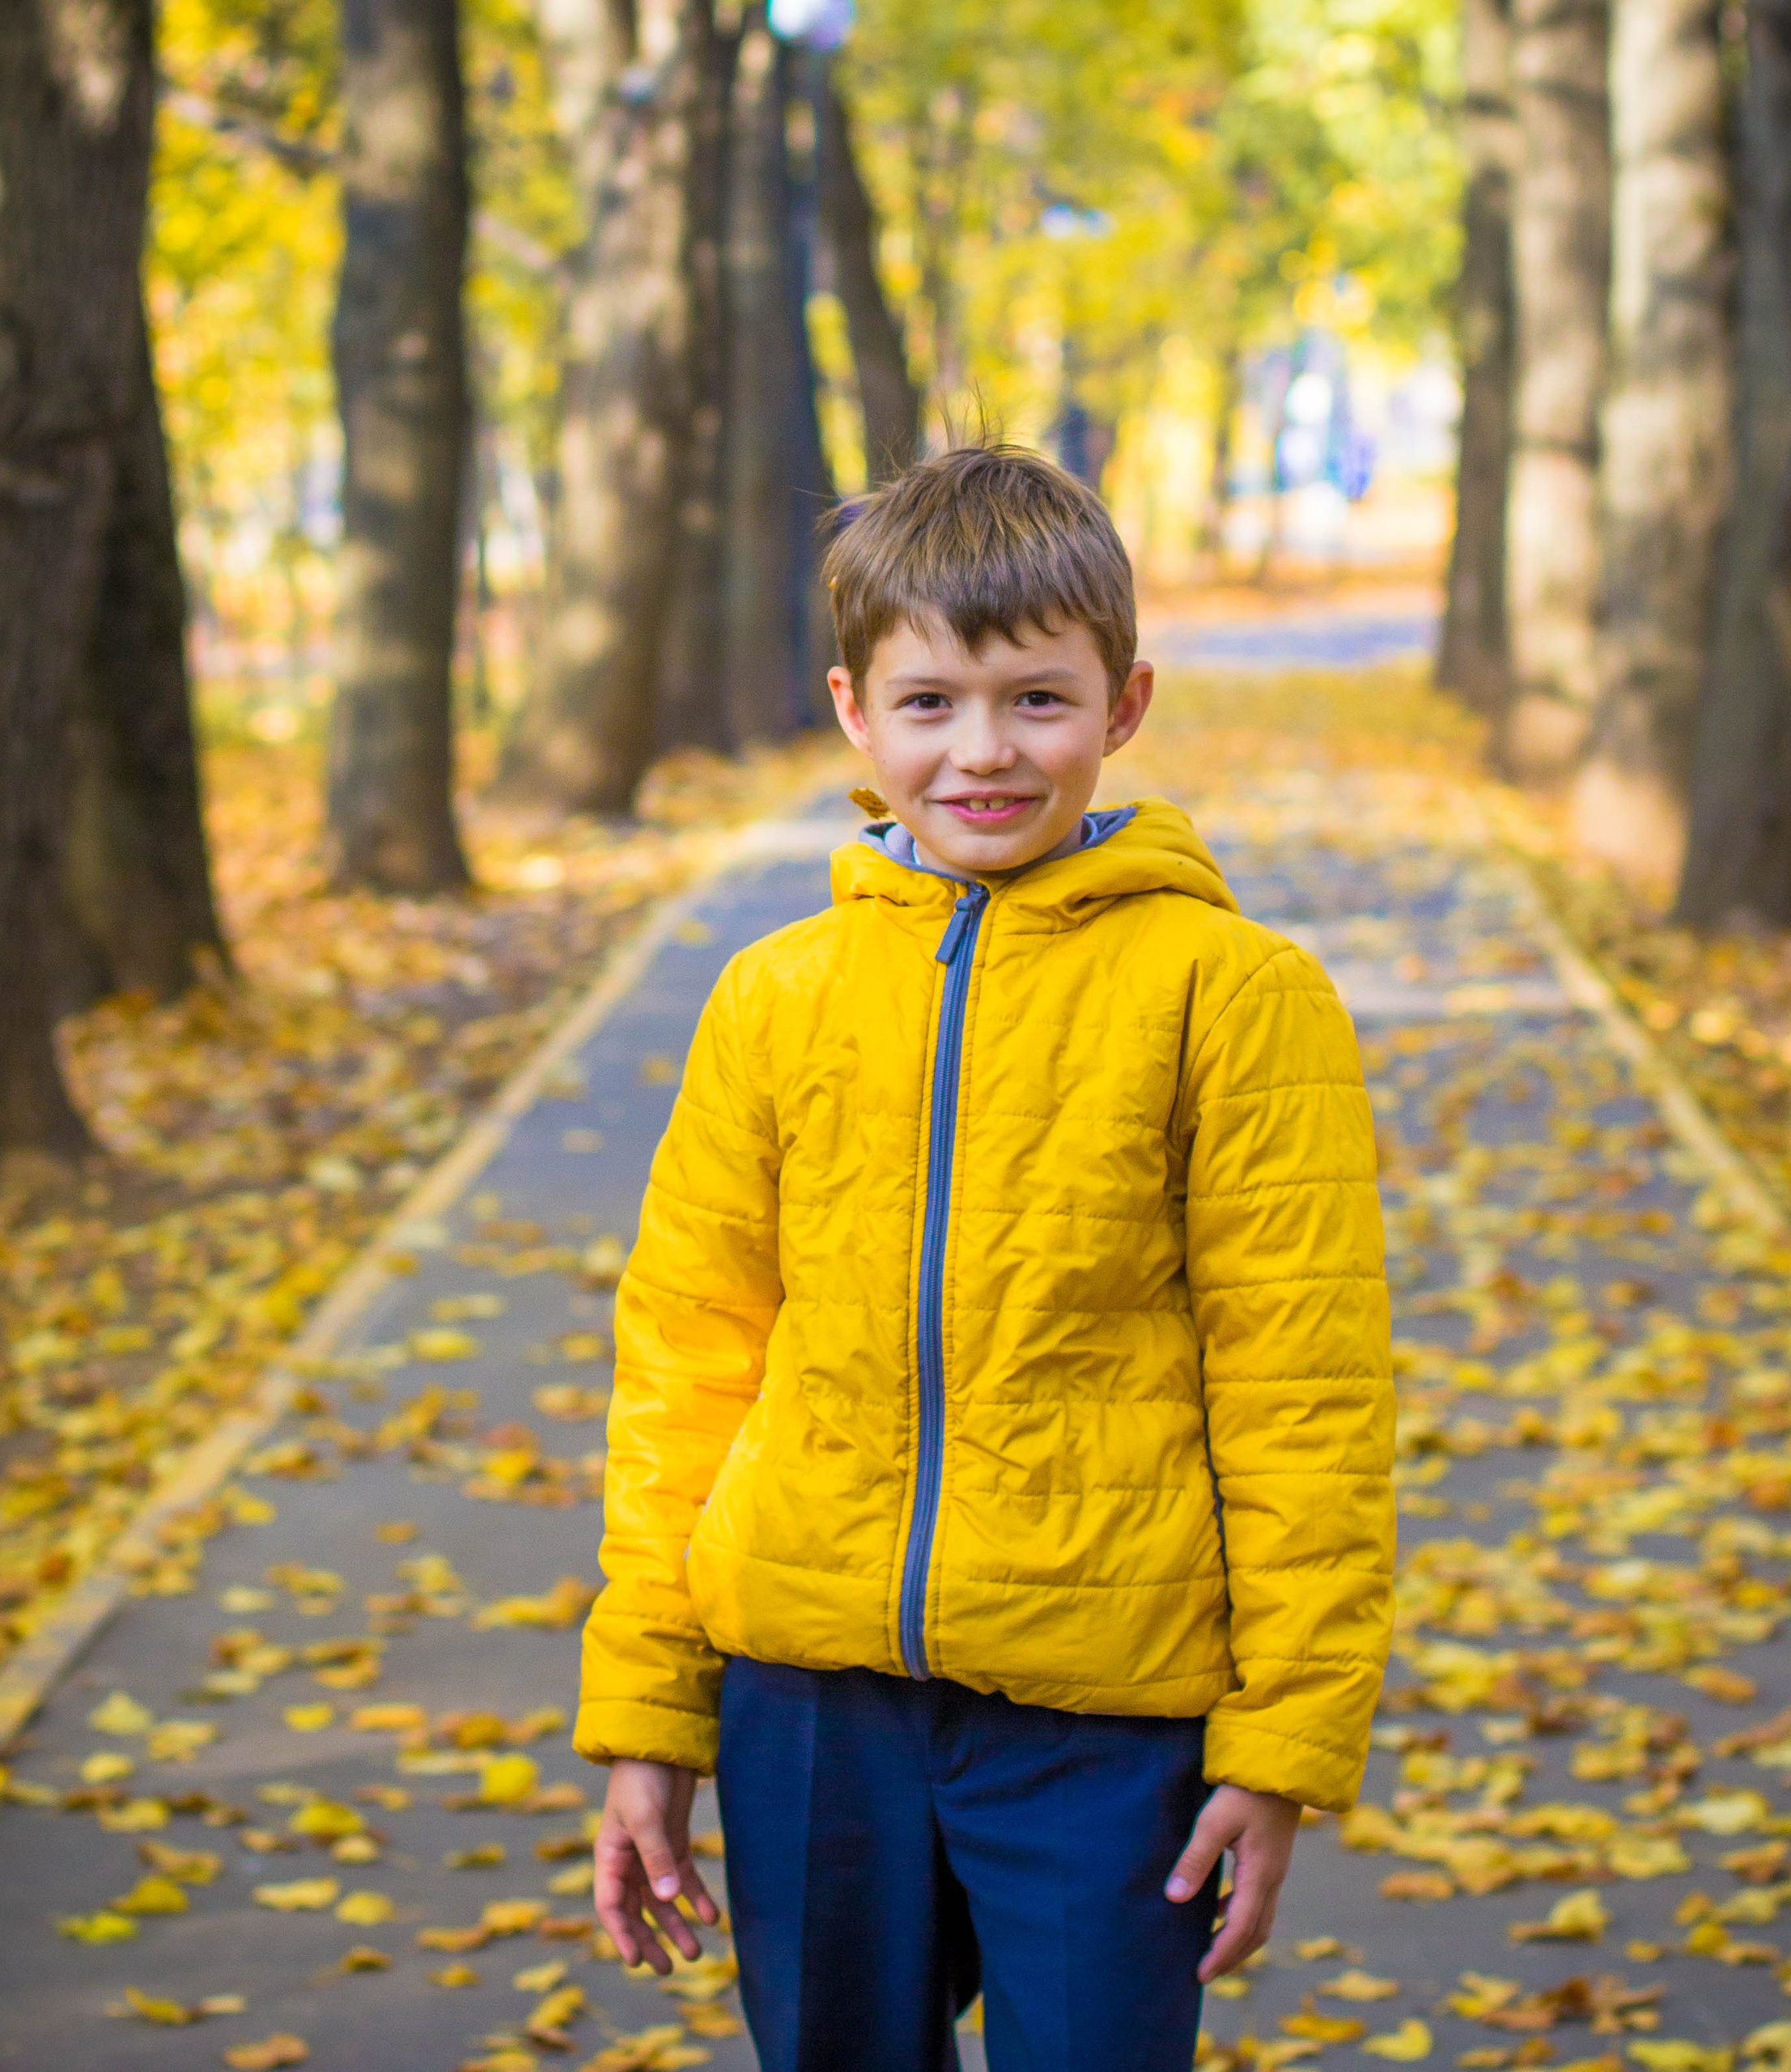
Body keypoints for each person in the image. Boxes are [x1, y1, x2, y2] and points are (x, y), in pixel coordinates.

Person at [574, 444, 1394, 2072]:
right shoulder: (774, 995)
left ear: (1125, 701)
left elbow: (1302, 1379)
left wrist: (1284, 1732)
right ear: (852, 713)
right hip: (806, 1702)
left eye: (1035, 699)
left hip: (1107, 1714)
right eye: (931, 701)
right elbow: (688, 1360)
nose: (982, 750)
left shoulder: (1231, 993)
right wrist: (653, 1714)